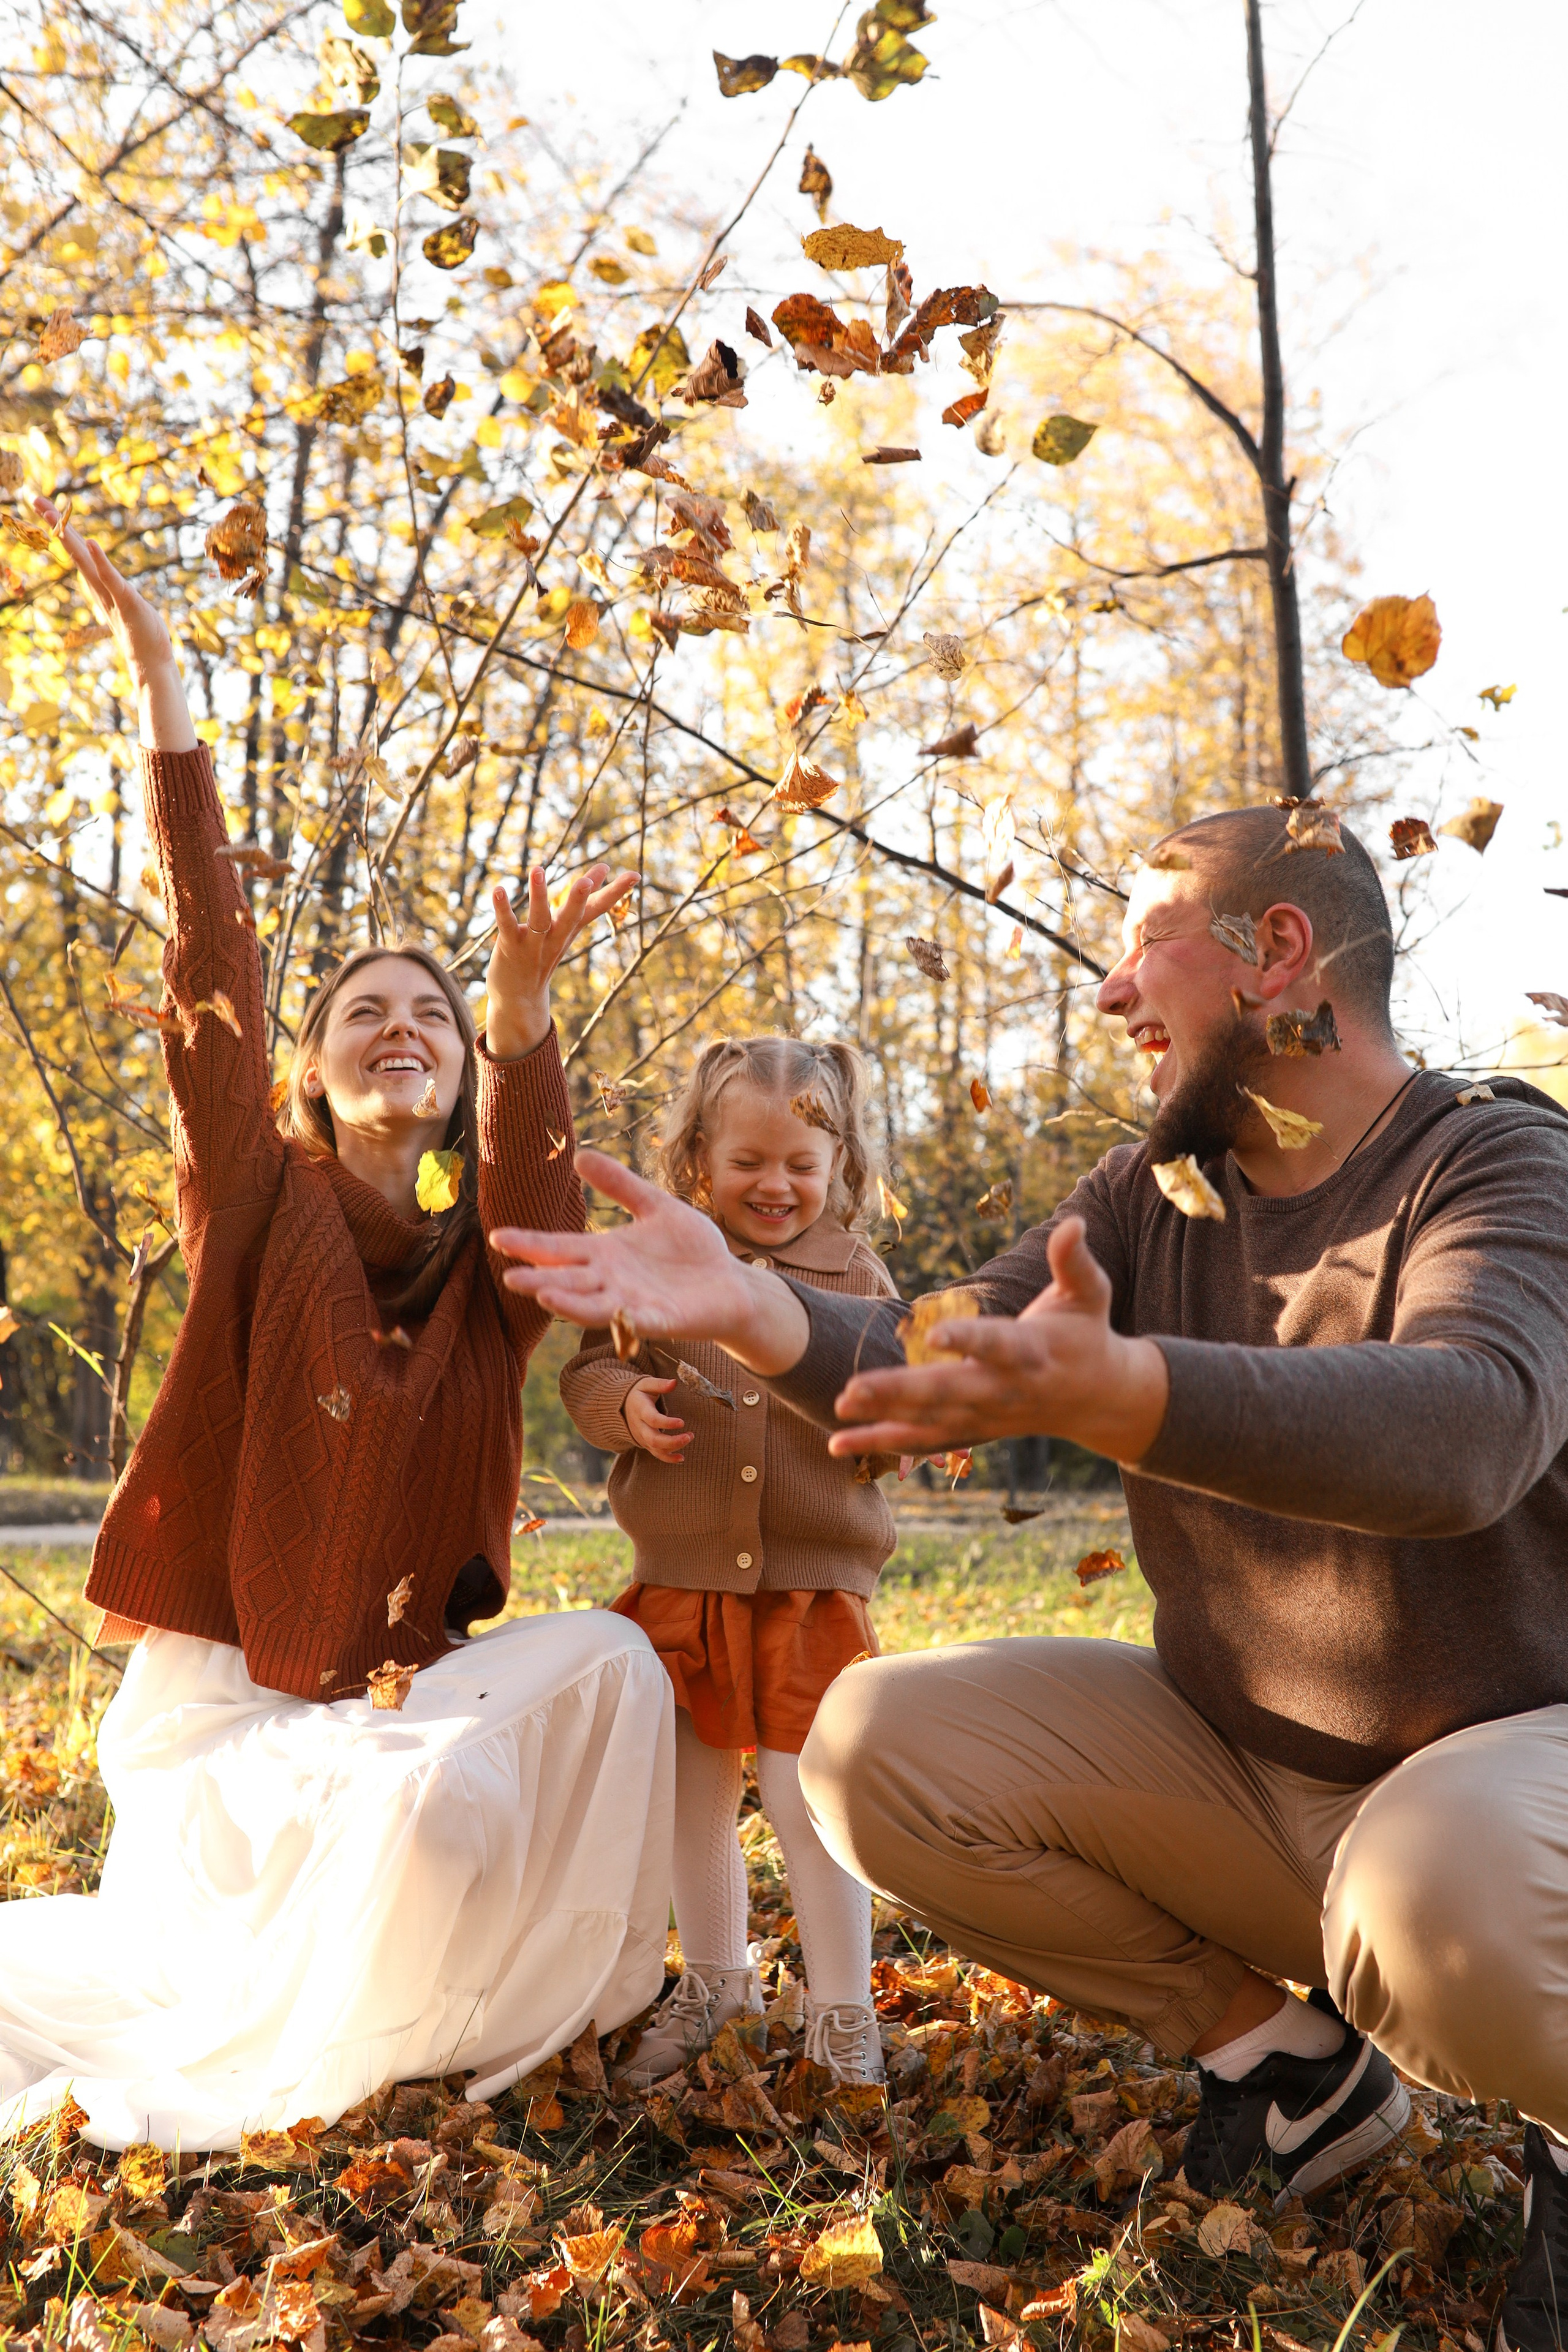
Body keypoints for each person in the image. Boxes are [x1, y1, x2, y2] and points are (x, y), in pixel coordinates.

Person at [493, 804, 1568, 2352]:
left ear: (1277, 952)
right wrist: (745, 1305)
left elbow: (1466, 1429)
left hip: (1497, 1789)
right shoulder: (1149, 1188)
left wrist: (1129, 1391)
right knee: (870, 1743)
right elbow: (944, 1342)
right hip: (1253, 1779)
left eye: (1145, 942)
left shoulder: (1499, 1160)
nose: (1113, 991)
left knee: (1431, 1879)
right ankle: (1287, 2070)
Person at [0, 503, 674, 2153]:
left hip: (397, 1703)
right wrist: (168, 699)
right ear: (309, 1068)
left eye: (429, 1013)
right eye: (362, 1011)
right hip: (231, 1716)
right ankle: (287, 2020)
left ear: (455, 1066)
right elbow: (211, 965)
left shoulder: (488, 1267)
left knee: (600, 1676)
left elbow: (536, 1195)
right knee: (399, 1838)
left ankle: (455, 2017)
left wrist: (518, 1012)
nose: (400, 1027)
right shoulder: (255, 1190)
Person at [559, 1038, 895, 2087]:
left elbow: (884, 1395)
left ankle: (843, 2013)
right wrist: (626, 1406)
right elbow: (589, 1373)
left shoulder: (860, 1277)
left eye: (804, 1161)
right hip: (685, 1582)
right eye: (749, 1161)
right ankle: (716, 1981)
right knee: (691, 1799)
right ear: (698, 1161)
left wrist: (907, 1424)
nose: (778, 1184)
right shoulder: (657, 1265)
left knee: (810, 1802)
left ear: (841, 1164)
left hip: (810, 1589)